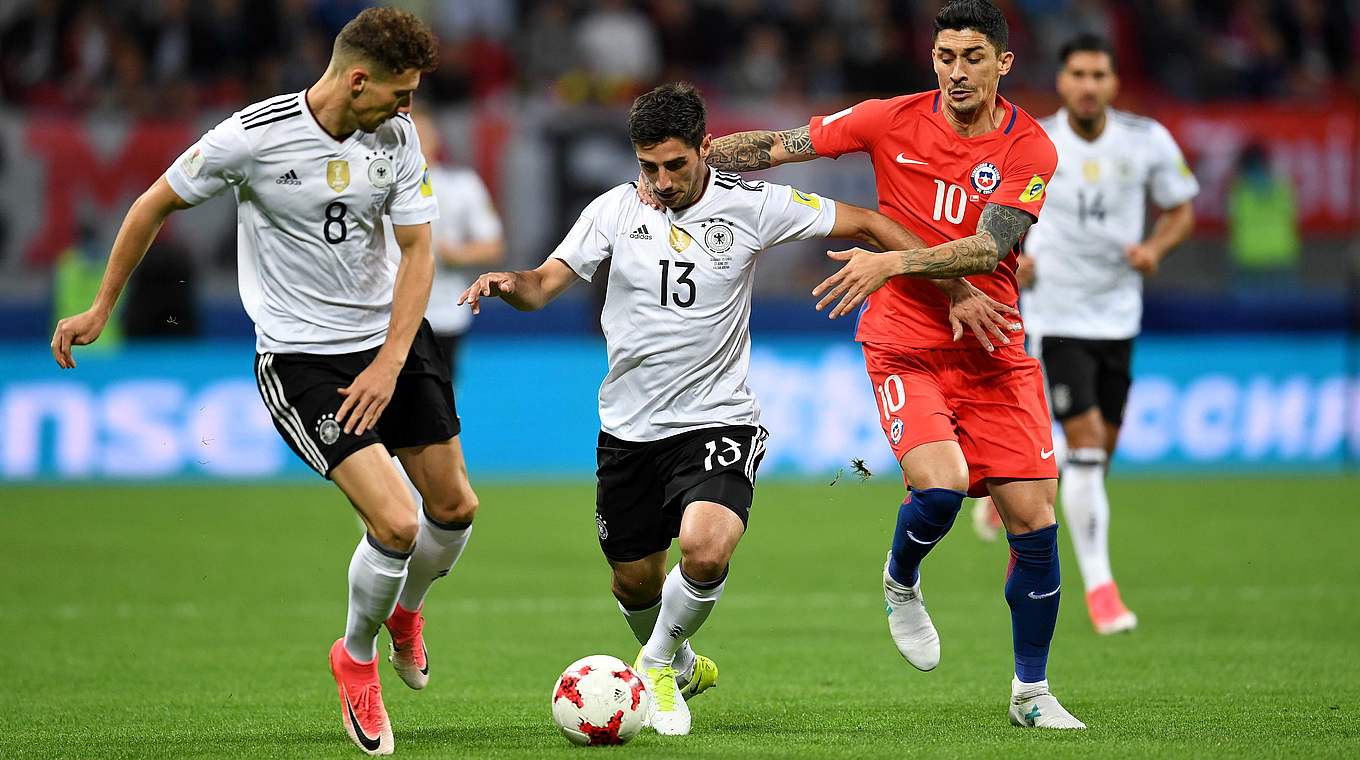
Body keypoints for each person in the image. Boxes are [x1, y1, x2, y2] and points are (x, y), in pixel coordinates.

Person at [460, 82, 992, 737]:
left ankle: (652, 666)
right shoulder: (612, 211)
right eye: (647, 166)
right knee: (633, 583)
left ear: (705, 149)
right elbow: (543, 284)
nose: (659, 181)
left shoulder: (754, 204)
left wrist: (951, 285)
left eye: (674, 166)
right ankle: (678, 661)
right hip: (629, 429)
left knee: (706, 551)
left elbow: (869, 221)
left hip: (719, 418)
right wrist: (509, 284)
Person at [49, 9, 477, 756]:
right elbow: (154, 203)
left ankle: (406, 611)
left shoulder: (398, 139)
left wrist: (389, 360)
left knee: (455, 508)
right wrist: (101, 304)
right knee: (397, 524)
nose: (408, 109)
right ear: (356, 79)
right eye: (399, 93)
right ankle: (356, 656)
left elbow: (418, 255)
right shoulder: (250, 137)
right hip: (303, 360)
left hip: (391, 346)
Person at [697, 0, 1083, 729]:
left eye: (973, 57)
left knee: (1034, 523)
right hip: (905, 342)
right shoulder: (888, 118)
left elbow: (991, 248)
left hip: (994, 348)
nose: (957, 71)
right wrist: (701, 154)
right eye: (945, 56)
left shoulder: (1030, 147)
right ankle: (900, 579)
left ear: (1004, 63)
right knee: (942, 487)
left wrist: (894, 260)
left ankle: (1031, 693)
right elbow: (783, 144)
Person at [972, 34, 1198, 636]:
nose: (1088, 85)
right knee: (1089, 444)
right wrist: (1011, 258)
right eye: (1078, 74)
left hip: (1119, 316)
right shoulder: (1034, 141)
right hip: (1054, 315)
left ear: (1114, 82)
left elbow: (1181, 209)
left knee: (1098, 454)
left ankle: (1012, 483)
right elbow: (986, 210)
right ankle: (1101, 589)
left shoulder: (1146, 141)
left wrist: (1154, 247)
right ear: (1063, 81)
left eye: (1099, 74)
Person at [387, 107, 505, 381]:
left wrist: (457, 255)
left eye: (420, 136)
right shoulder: (376, 186)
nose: (413, 144)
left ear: (435, 139)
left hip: (443, 315)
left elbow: (493, 246)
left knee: (438, 405)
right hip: (386, 314)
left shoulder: (463, 185)